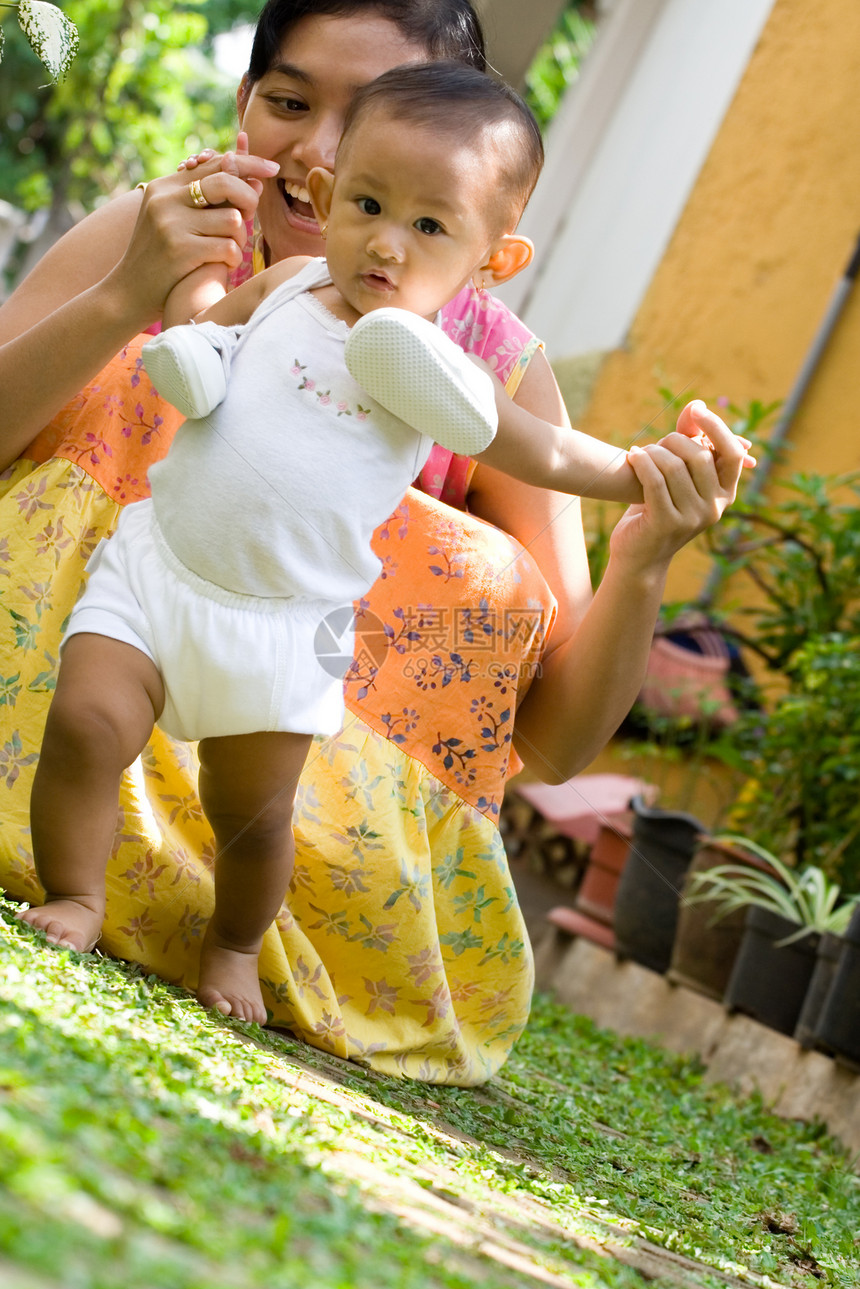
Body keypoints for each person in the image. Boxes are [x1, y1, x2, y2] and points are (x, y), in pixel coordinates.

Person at [0, 0, 747, 1084]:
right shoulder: (174, 237)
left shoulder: (477, 365)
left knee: (474, 566)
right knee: (146, 397)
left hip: (284, 717)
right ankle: (75, 867)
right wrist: (129, 299)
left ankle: (229, 929)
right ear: (242, 105)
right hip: (98, 658)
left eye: (373, 122)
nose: (321, 154)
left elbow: (544, 746)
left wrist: (641, 556)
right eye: (291, 103)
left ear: (489, 231)